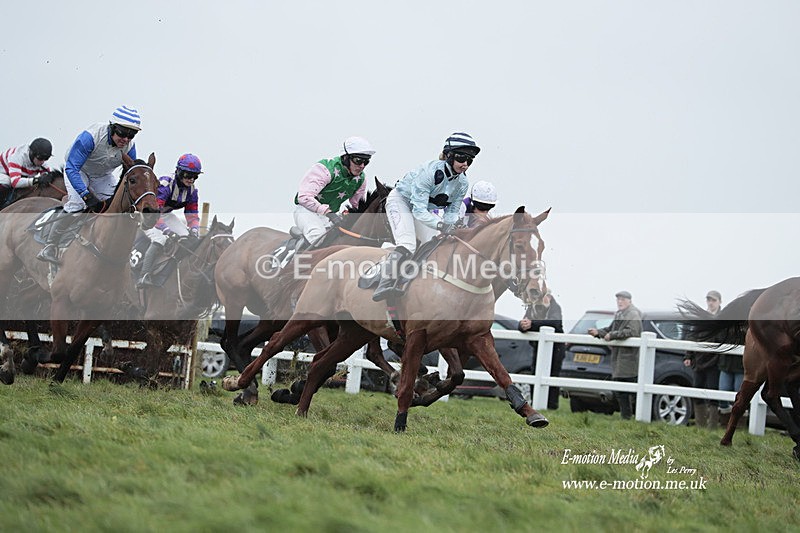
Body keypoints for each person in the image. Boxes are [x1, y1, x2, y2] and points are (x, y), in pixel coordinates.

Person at [372, 132, 480, 301]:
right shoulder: (429, 173)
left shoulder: (463, 183)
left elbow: (451, 212)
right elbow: (418, 211)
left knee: (434, 244)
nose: (465, 164)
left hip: (421, 209)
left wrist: (452, 226)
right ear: (449, 155)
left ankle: (415, 281)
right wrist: (441, 225)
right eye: (461, 158)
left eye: (470, 160)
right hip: (401, 202)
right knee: (407, 244)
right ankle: (384, 283)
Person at [37, 105, 141, 264]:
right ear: (112, 127)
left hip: (103, 175)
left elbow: (131, 173)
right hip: (79, 171)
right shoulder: (90, 137)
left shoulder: (130, 147)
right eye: (122, 133)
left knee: (116, 205)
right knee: (78, 204)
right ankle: (50, 245)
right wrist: (86, 195)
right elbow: (72, 167)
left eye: (131, 134)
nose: (126, 139)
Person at [293, 136, 375, 247]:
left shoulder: (360, 179)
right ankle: (293, 260)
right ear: (345, 158)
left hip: (329, 216)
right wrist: (328, 213)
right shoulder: (325, 169)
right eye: (358, 160)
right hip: (306, 211)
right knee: (317, 235)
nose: (362, 166)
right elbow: (303, 197)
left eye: (366, 162)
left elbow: (357, 205)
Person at [137, 153, 203, 287]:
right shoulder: (165, 184)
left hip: (165, 214)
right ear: (178, 171)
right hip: (149, 215)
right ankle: (143, 275)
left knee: (187, 237)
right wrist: (166, 230)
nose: (191, 179)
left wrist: (195, 229)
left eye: (195, 176)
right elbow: (155, 212)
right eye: (187, 175)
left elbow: (192, 215)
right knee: (160, 239)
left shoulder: (192, 191)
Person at [588, 290, 643, 420]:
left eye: (623, 299)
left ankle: (629, 417)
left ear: (630, 301)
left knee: (627, 390)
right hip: (620, 358)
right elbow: (610, 329)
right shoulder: (620, 314)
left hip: (628, 358)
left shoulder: (633, 314)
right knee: (620, 390)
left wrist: (612, 335)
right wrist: (598, 332)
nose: (620, 302)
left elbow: (632, 331)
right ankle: (627, 417)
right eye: (618, 299)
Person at [518, 290, 564, 410]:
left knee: (552, 376)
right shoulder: (532, 307)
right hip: (538, 347)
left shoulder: (555, 307)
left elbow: (555, 323)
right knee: (535, 373)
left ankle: (552, 406)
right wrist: (522, 326)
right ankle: (535, 404)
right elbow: (524, 322)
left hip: (556, 349)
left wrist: (532, 324)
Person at [683, 290, 721, 428]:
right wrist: (688, 355)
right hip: (699, 360)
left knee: (713, 390)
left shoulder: (723, 319)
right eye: (709, 300)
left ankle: (712, 425)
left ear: (719, 302)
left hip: (714, 362)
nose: (711, 303)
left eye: (713, 300)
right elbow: (692, 336)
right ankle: (700, 424)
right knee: (697, 389)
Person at [716, 290, 744, 417]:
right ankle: (725, 421)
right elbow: (719, 338)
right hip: (726, 364)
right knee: (722, 394)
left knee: (739, 395)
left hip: (740, 366)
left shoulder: (745, 325)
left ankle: (739, 422)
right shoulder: (725, 324)